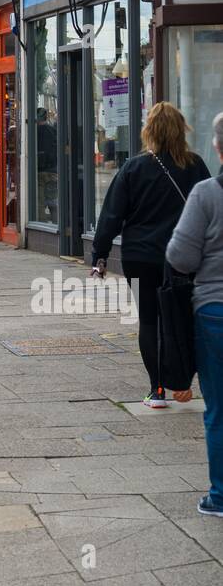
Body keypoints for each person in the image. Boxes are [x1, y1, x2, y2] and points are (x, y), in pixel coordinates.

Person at [92, 101, 209, 409]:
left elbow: (112, 216)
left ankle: (156, 390)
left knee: (150, 320)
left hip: (140, 256)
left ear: (149, 131)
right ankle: (184, 382)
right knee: (184, 317)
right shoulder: (195, 166)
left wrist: (100, 255)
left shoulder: (134, 167)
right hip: (184, 258)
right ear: (181, 130)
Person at [166, 110, 223, 517]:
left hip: (215, 312)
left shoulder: (207, 194)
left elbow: (180, 257)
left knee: (219, 407)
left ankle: (220, 495)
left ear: (218, 147)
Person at [36, 107, 58, 223]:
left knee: (40, 203)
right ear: (46, 117)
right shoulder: (53, 130)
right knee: (53, 202)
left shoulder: (34, 132)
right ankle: (56, 225)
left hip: (39, 171)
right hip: (53, 171)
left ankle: (42, 226)